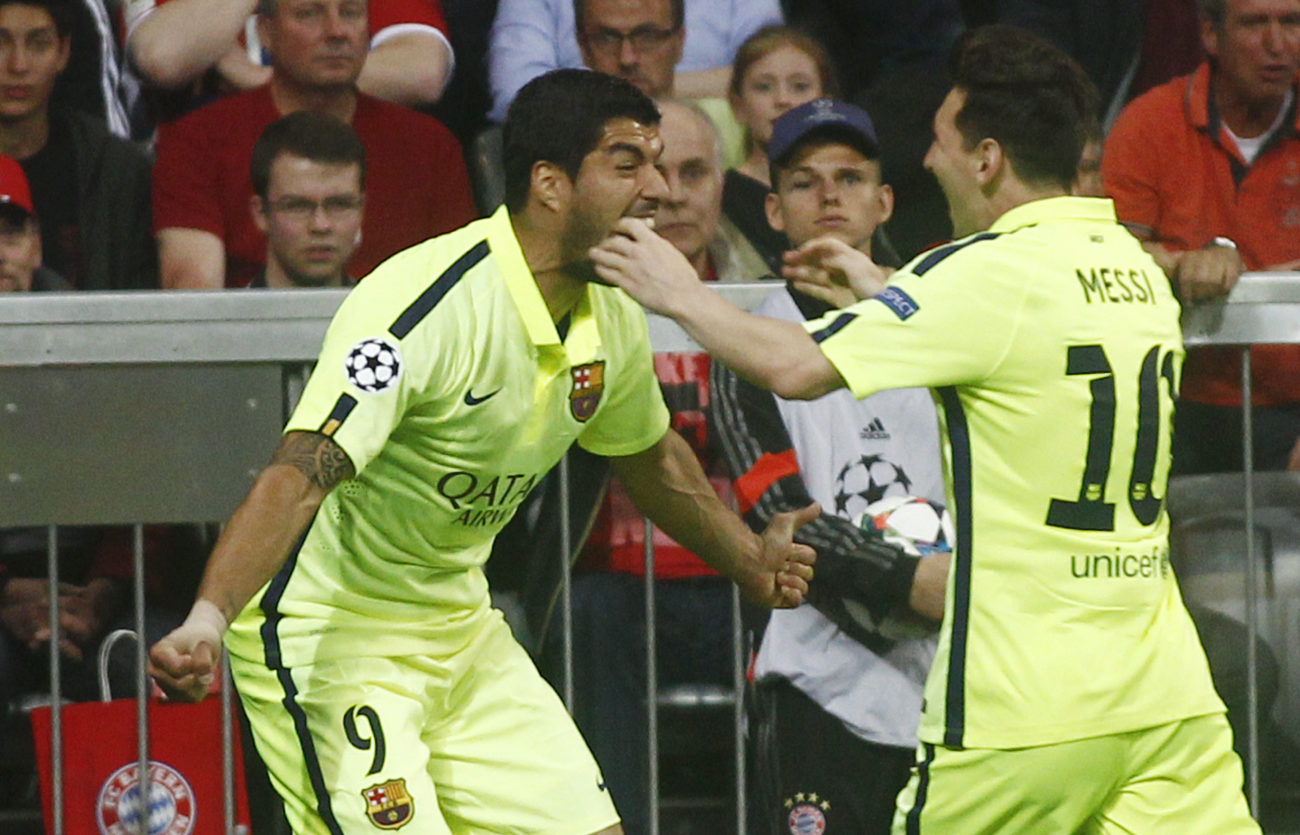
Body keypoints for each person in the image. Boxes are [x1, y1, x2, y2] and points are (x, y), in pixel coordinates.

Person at [592, 25, 1261, 833]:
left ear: (985, 159)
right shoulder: (1132, 265)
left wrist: (683, 294)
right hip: (1163, 694)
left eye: (942, 143)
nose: (932, 161)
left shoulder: (979, 272)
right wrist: (883, 288)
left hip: (1024, 702)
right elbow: (1017, 337)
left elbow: (798, 366)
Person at [147, 68, 817, 835]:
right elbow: (301, 470)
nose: (659, 189)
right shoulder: (428, 304)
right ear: (550, 185)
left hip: (460, 629)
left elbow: (651, 457)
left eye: (661, 163)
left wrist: (749, 561)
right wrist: (207, 616)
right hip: (331, 640)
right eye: (629, 164)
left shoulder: (611, 311)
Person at [709, 98, 947, 835]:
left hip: (958, 677)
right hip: (818, 681)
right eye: (807, 182)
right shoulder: (748, 345)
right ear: (775, 210)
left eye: (849, 177)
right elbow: (779, 518)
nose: (830, 196)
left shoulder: (947, 323)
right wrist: (915, 581)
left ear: (884, 201)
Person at [535, 97, 767, 834]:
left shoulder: (771, 295)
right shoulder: (573, 292)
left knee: (814, 608)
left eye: (693, 171)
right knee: (586, 615)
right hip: (619, 585)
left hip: (742, 580)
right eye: (650, 170)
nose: (669, 192)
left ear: (724, 186)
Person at [151, 0, 475, 290]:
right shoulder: (197, 140)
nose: (337, 32)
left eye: (350, 13)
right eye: (309, 14)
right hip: (252, 346)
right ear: (266, 31)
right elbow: (193, 297)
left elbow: (463, 290)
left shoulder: (428, 146)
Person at [1103, 0, 1300, 474]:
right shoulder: (1148, 125)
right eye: (1255, 24)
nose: (1277, 45)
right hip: (1173, 403)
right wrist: (1179, 264)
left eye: (1292, 22)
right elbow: (1105, 256)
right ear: (1211, 35)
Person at [0, 0, 155, 290]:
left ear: (63, 52)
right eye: (0, 42)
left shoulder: (116, 172)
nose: (18, 65)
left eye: (39, 44)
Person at [124, 0, 455, 112]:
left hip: (350, 150)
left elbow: (422, 70)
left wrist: (268, 81)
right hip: (212, 160)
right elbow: (160, 57)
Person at [486, 0, 779, 122]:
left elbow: (774, 72)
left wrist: (652, 89)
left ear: (681, 40)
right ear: (583, 44)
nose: (628, 59)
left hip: (728, 155)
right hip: (585, 139)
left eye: (650, 37)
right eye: (606, 38)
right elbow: (517, 94)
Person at [722, 25, 837, 273]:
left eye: (800, 86)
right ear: (737, 105)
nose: (783, 99)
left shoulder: (849, 190)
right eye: (764, 87)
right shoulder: (722, 197)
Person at [249, 112, 365, 289]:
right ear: (261, 213)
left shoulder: (391, 315)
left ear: (361, 209)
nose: (321, 225)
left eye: (340, 205)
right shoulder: (222, 317)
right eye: (298, 206)